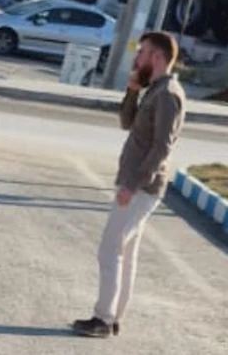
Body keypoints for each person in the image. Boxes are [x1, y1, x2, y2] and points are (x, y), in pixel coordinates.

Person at [72, 31, 186, 338]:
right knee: (126, 252)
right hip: (136, 184)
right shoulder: (154, 90)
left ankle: (103, 319)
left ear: (157, 58)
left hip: (141, 188)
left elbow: (162, 147)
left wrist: (133, 185)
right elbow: (127, 123)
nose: (136, 58)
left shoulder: (168, 95)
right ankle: (114, 317)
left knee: (109, 250)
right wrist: (132, 92)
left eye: (142, 52)